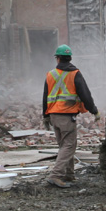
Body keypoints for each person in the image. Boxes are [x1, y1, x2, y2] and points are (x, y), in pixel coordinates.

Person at [42, 44, 98, 188]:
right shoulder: (75, 74)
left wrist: (45, 115)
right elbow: (85, 94)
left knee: (64, 145)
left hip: (54, 115)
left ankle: (69, 174)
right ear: (70, 58)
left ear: (58, 58)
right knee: (69, 145)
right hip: (66, 116)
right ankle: (55, 175)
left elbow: (45, 96)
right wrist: (94, 110)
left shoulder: (50, 74)